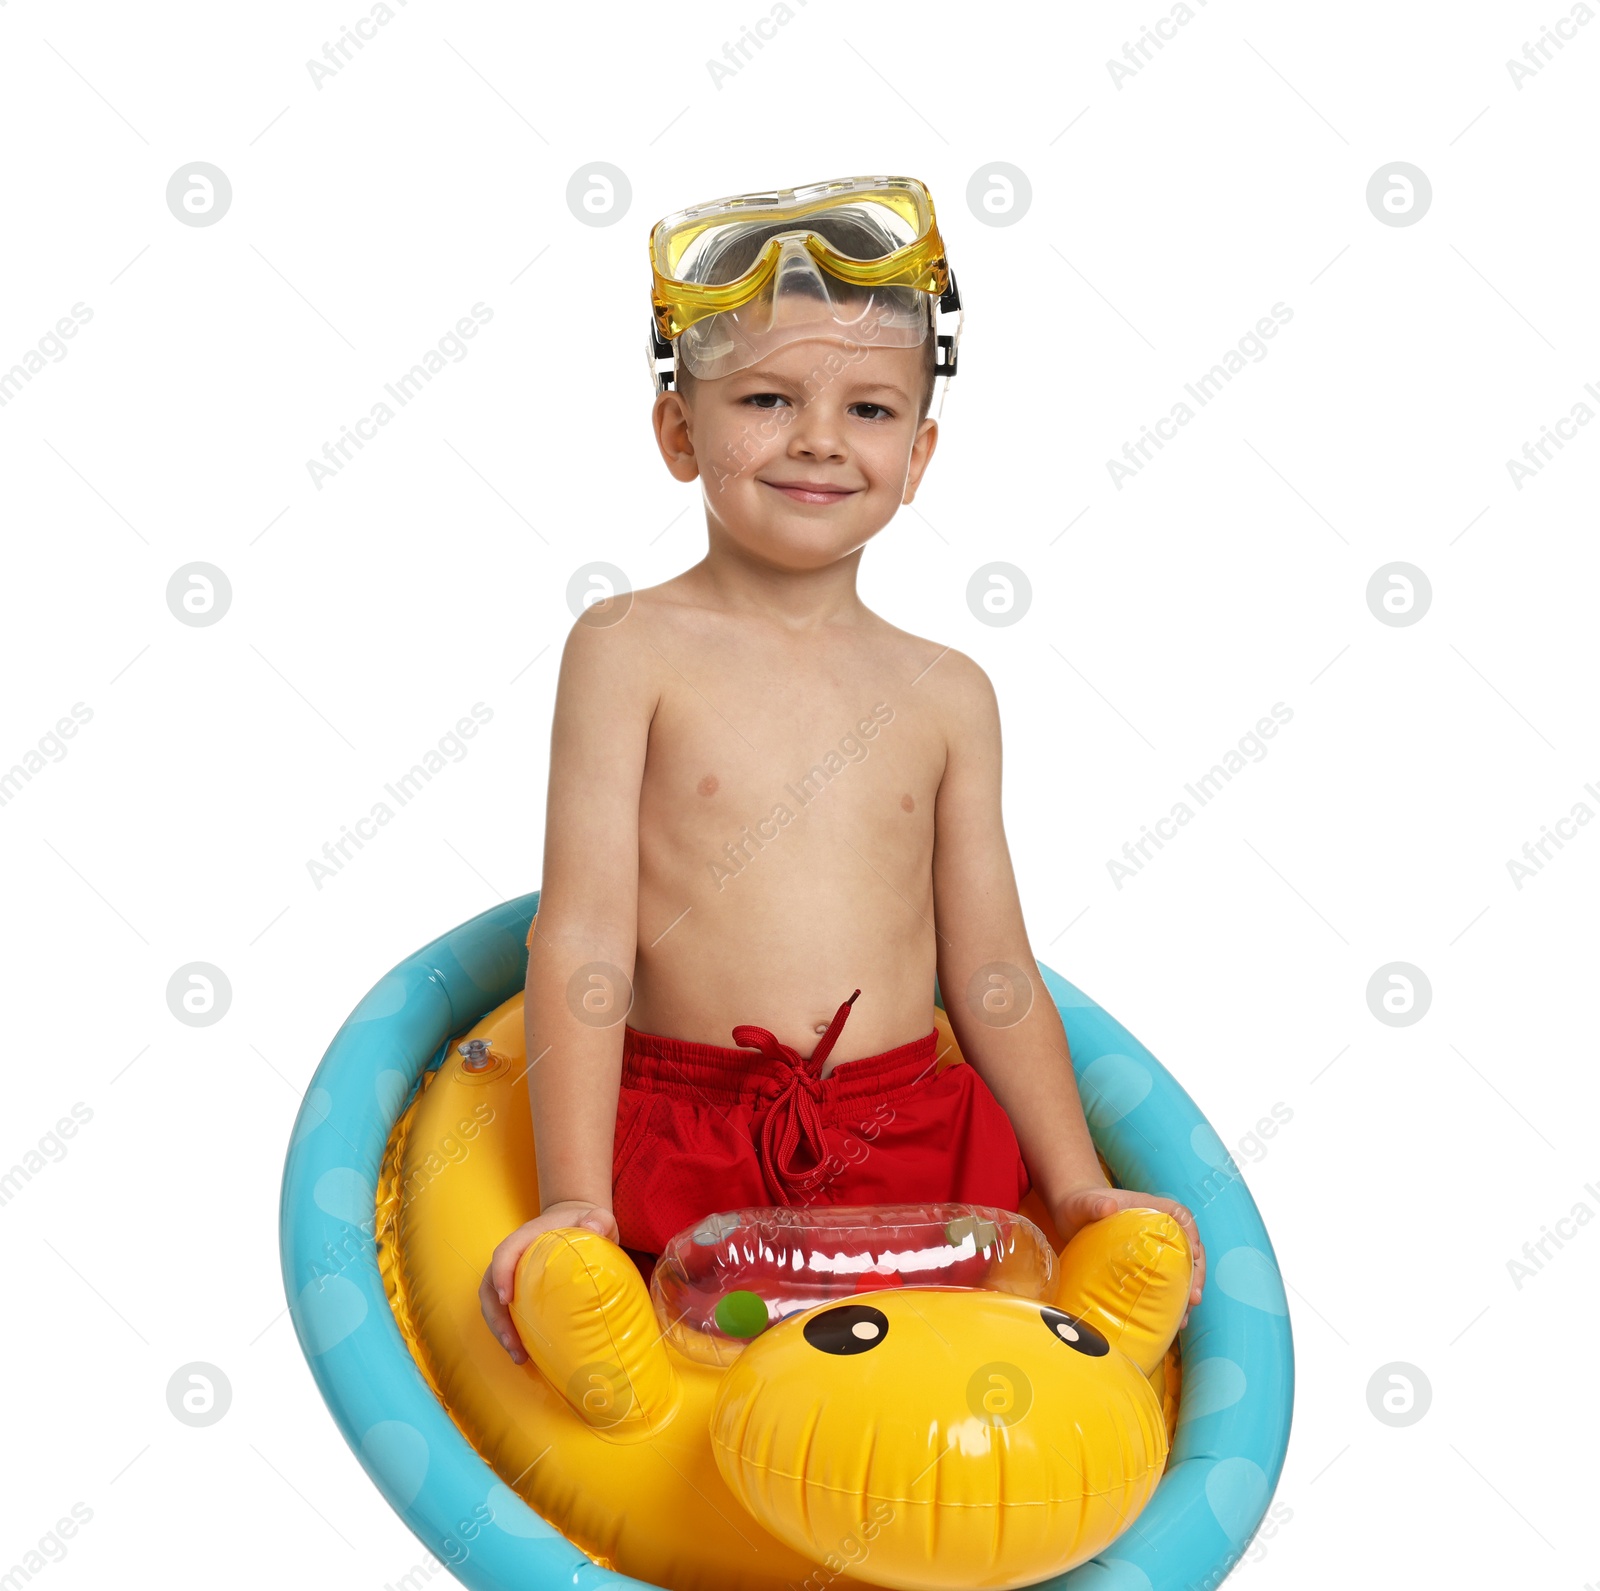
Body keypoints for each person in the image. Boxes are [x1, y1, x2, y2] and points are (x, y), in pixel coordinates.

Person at [479, 175, 1205, 1363]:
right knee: (699, 1388)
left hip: (912, 1141)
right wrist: (575, 1199)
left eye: (869, 410)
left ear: (918, 454)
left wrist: (1074, 1189)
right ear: (679, 433)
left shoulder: (947, 692)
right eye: (767, 397)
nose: (819, 437)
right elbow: (584, 936)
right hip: (688, 1137)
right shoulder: (627, 649)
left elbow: (992, 970)